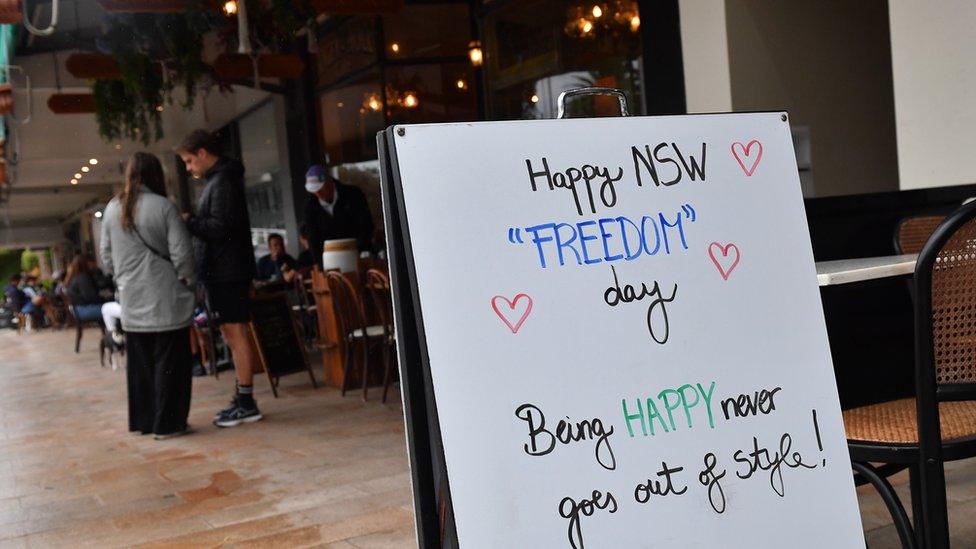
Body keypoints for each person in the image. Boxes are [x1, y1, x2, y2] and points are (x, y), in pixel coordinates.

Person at [99, 152, 196, 440]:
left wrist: (125, 278)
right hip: (166, 298)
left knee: (140, 366)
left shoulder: (112, 209)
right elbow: (183, 254)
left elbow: (106, 257)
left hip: (132, 300)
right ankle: (168, 423)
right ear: (156, 175)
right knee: (171, 364)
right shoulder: (165, 207)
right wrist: (188, 283)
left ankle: (144, 421)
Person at [177, 129, 262, 428]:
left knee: (235, 334)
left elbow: (221, 228)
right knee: (232, 333)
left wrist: (190, 222)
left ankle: (247, 400)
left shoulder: (222, 181)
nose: (188, 168)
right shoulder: (220, 179)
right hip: (226, 270)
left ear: (202, 153)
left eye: (189, 161)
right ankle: (243, 397)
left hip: (229, 271)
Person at [303, 164, 375, 268]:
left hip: (359, 254)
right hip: (330, 261)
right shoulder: (310, 207)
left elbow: (366, 225)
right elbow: (313, 239)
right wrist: (321, 265)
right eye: (313, 190)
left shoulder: (353, 195)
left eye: (320, 188)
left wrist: (363, 250)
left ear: (329, 181)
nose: (317, 193)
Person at [64, 254, 106, 322]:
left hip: (79, 310)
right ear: (86, 264)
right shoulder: (83, 278)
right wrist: (106, 299)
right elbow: (91, 297)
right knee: (116, 308)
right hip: (85, 310)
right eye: (92, 262)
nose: (95, 264)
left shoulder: (76, 277)